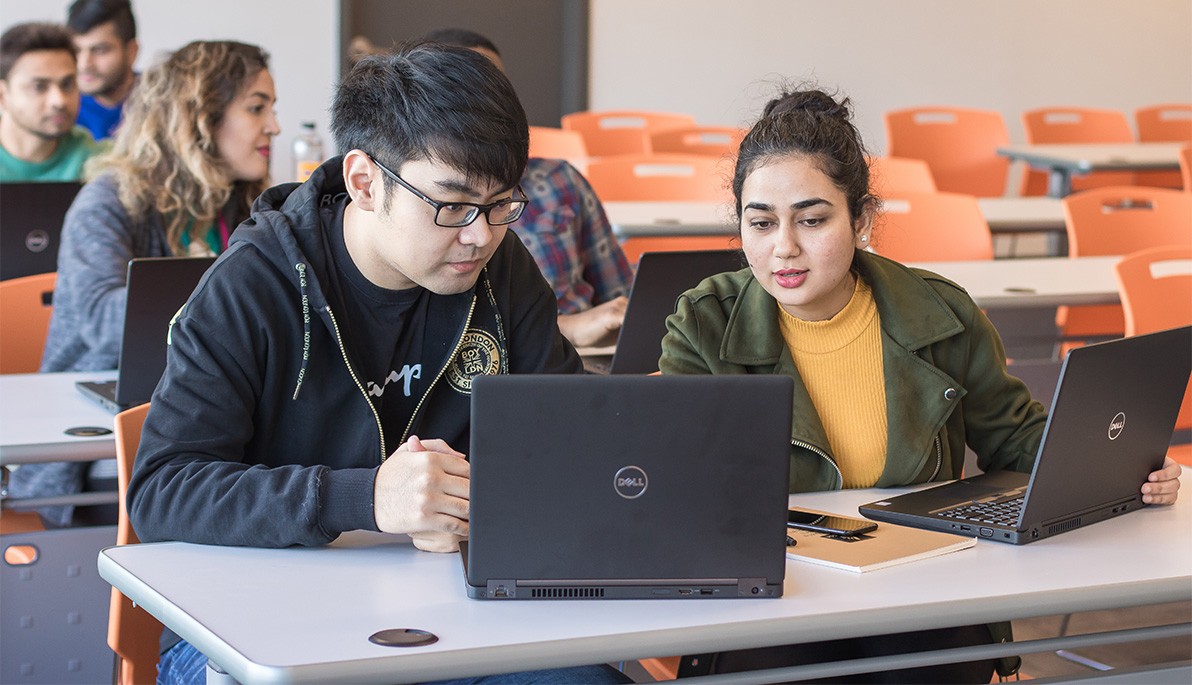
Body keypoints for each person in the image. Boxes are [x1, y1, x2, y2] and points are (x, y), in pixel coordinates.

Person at [126, 42, 630, 685]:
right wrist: (362, 498)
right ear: (365, 182)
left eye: (502, 204)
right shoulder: (253, 285)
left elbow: (565, 433)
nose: (479, 234)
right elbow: (164, 490)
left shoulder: (500, 269)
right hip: (257, 624)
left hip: (456, 615)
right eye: (451, 205)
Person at [659, 88, 1183, 683]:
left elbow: (1016, 439)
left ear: (860, 220)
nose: (784, 246)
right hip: (778, 587)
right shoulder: (704, 321)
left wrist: (1120, 465)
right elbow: (677, 478)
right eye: (760, 223)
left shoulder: (940, 311)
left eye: (812, 219)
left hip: (920, 583)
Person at [10, 41, 278, 530]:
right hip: (99, 437)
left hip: (212, 414)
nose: (274, 127)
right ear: (199, 117)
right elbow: (103, 321)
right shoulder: (109, 202)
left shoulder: (251, 208)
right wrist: (228, 302)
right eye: (257, 108)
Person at [422, 28, 634, 349]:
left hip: (583, 360)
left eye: (497, 89)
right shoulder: (417, 205)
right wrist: (567, 328)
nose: (486, 103)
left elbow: (618, 295)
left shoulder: (560, 179)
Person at [0, 22, 99, 181]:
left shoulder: (98, 162)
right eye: (39, 87)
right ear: (2, 96)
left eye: (67, 84)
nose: (59, 101)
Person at [66, 0, 139, 141]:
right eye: (76, 51)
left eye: (100, 50)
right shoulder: (62, 108)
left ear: (131, 52)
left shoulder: (161, 104)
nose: (84, 64)